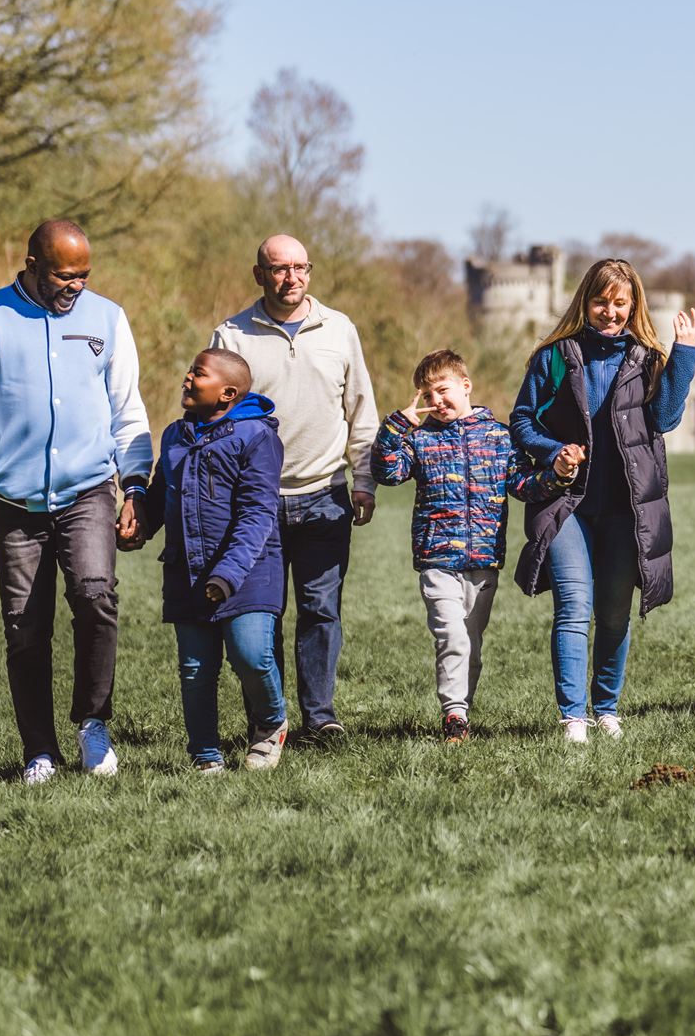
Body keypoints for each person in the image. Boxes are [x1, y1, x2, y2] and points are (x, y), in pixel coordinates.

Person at [0, 219, 152, 784]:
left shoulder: (107, 318)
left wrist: (136, 485)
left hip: (88, 490)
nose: (75, 285)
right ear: (31, 264)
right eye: (63, 274)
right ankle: (39, 751)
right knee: (25, 627)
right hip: (14, 500)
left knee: (96, 595)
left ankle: (92, 723)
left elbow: (128, 407)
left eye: (83, 274)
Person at [509, 258, 695, 744]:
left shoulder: (646, 358)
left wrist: (684, 355)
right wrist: (555, 454)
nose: (610, 312)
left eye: (620, 303)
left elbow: (663, 419)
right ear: (585, 301)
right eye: (601, 301)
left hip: (627, 507)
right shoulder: (554, 356)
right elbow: (521, 421)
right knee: (575, 606)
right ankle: (573, 717)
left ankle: (607, 708)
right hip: (566, 504)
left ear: (634, 306)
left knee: (615, 611)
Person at [209, 233, 378, 743]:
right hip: (254, 501)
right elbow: (213, 420)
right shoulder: (232, 334)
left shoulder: (339, 329)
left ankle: (320, 717)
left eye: (300, 267)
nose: (291, 278)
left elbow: (360, 411)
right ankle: (270, 718)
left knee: (320, 610)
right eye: (279, 268)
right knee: (259, 616)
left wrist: (364, 481)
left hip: (326, 492)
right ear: (258, 274)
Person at [371, 348, 570, 742]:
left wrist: (558, 474)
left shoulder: (498, 437)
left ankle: (461, 712)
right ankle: (454, 715)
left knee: (471, 645)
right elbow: (387, 471)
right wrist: (396, 427)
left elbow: (524, 486)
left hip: (483, 560)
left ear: (465, 385)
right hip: (437, 558)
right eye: (426, 396)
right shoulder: (420, 440)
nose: (435, 402)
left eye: (441, 390)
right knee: (452, 636)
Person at [123, 349, 289, 772]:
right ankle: (205, 755)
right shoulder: (176, 436)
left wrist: (229, 574)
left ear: (227, 393)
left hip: (248, 569)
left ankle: (271, 726)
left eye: (198, 374)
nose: (187, 378)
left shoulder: (256, 436)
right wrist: (140, 526)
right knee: (196, 669)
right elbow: (163, 493)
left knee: (251, 655)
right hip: (187, 569)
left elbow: (258, 513)